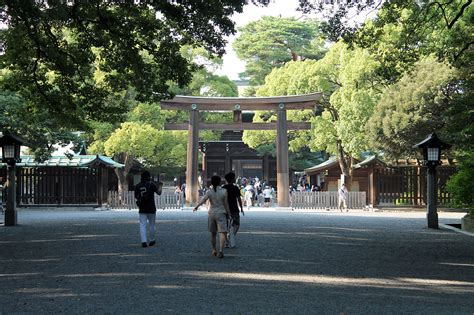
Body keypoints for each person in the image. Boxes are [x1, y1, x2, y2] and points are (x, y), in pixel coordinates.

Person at [193, 175, 231, 259]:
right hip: (221, 213)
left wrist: (196, 206)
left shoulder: (209, 192)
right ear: (219, 182)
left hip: (212, 213)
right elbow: (226, 204)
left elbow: (203, 200)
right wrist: (229, 214)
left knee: (213, 233)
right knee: (222, 232)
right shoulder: (224, 191)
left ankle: (214, 249)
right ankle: (221, 250)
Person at [134, 171, 163, 248]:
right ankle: (152, 240)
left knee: (142, 225)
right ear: (148, 177)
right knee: (152, 225)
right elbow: (159, 193)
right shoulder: (151, 184)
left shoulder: (137, 186)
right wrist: (160, 186)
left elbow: (136, 197)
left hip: (142, 208)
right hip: (151, 207)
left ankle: (143, 241)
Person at [223, 172, 244, 248]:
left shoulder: (223, 188)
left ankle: (226, 242)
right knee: (236, 224)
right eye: (234, 178)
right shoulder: (235, 188)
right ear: (232, 179)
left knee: (225, 225)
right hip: (234, 208)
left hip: (225, 209)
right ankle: (231, 235)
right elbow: (239, 199)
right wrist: (241, 208)